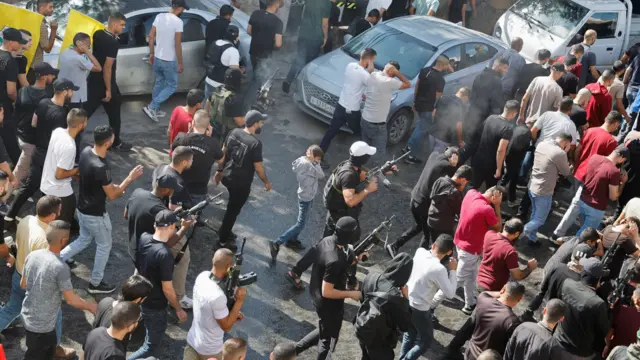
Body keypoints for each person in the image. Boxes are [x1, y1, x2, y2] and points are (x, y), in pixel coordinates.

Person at [60, 125, 144, 294]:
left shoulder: (85, 152)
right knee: (104, 245)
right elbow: (112, 195)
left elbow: (95, 182)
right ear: (107, 142)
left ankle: (58, 258)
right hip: (95, 215)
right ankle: (95, 283)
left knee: (84, 238)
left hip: (82, 209)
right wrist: (129, 179)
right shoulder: (101, 167)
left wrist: (114, 187)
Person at [0, 196, 71, 358]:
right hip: (32, 284)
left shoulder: (26, 219)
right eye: (59, 210)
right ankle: (55, 349)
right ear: (53, 215)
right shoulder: (46, 239)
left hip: (18, 274)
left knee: (12, 308)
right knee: (55, 314)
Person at [4, 78, 76, 228]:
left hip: (38, 153)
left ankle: (10, 216)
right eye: (71, 90)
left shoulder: (43, 103)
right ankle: (54, 222)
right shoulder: (62, 114)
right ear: (64, 92)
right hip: (50, 158)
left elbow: (34, 123)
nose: (73, 93)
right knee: (51, 189)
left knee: (29, 187)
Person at [21, 220, 98, 360]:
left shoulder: (33, 255)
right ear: (63, 240)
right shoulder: (60, 267)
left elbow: (23, 284)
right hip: (42, 326)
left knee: (40, 349)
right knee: (37, 355)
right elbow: (70, 299)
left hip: (27, 314)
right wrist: (90, 306)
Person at [294, 217, 362, 360]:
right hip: (329, 304)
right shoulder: (335, 260)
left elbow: (336, 262)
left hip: (317, 295)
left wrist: (355, 259)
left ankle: (295, 350)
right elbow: (328, 291)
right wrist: (351, 294)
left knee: (324, 328)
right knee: (328, 340)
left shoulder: (327, 240)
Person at [553, 112, 621, 239]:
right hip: (591, 177)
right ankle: (581, 232)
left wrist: (576, 164)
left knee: (577, 203)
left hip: (580, 172)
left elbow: (578, 149)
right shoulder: (611, 141)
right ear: (615, 123)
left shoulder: (590, 130)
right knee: (585, 203)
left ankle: (564, 231)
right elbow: (607, 163)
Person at [129, 210, 188, 359]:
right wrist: (179, 309)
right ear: (172, 227)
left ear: (155, 225)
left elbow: (162, 243)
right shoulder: (165, 255)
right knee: (150, 346)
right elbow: (167, 289)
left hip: (142, 296)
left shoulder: (144, 238)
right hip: (155, 305)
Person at [441, 186, 503, 314]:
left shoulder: (470, 193)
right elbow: (498, 228)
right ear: (494, 197)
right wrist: (497, 206)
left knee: (471, 276)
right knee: (455, 282)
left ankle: (470, 304)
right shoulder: (487, 209)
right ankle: (431, 305)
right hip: (470, 251)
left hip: (459, 243)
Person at [386, 147, 458, 257]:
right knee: (427, 233)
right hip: (423, 204)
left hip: (415, 197)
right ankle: (418, 261)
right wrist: (454, 164)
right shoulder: (447, 166)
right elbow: (454, 179)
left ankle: (395, 245)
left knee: (419, 226)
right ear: (451, 157)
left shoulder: (433, 155)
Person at [214, 110, 270, 249]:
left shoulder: (234, 132)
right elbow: (258, 168)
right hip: (241, 184)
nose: (262, 124)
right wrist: (266, 182)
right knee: (232, 211)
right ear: (255, 123)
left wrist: (219, 171)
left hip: (227, 177)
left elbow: (223, 152)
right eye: (261, 121)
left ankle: (226, 229)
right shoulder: (255, 144)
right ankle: (221, 240)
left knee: (231, 208)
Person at [399, 235, 457, 360]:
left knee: (409, 335)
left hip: (406, 299)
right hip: (420, 309)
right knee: (425, 341)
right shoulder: (439, 269)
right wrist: (453, 271)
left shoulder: (420, 252)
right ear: (449, 252)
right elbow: (450, 293)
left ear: (434, 244)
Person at [152, 146, 196, 309]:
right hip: (167, 225)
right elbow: (172, 208)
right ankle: (178, 297)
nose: (192, 162)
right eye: (191, 160)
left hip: (156, 219)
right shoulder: (176, 182)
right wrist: (185, 222)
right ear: (184, 162)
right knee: (183, 258)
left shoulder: (161, 167)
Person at [185, 249, 247, 360]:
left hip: (192, 341)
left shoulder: (202, 276)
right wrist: (239, 301)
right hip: (209, 350)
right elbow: (226, 326)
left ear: (213, 260)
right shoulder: (218, 296)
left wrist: (232, 313)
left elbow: (209, 308)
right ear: (229, 267)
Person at [319, 48, 376, 168]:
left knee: (331, 132)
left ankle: (318, 157)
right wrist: (371, 71)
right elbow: (372, 85)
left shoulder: (350, 66)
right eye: (373, 61)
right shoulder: (365, 74)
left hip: (341, 105)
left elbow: (355, 85)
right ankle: (359, 162)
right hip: (352, 111)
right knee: (360, 134)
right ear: (369, 60)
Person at [558, 146, 629, 238]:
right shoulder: (614, 172)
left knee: (567, 218)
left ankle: (556, 236)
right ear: (622, 158)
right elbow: (613, 196)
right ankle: (573, 246)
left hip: (581, 197)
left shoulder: (595, 157)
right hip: (596, 207)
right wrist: (623, 182)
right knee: (585, 234)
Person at [85, 12, 132, 152]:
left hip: (93, 79)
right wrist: (108, 89)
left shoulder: (98, 34)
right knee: (114, 113)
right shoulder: (113, 43)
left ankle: (69, 132)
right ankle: (115, 143)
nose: (124, 28)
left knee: (84, 112)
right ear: (114, 24)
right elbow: (107, 67)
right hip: (105, 82)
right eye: (122, 25)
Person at [271, 145, 324, 260]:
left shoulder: (304, 162)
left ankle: (292, 240)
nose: (319, 161)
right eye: (318, 159)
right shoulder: (309, 166)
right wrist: (316, 164)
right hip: (306, 197)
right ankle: (278, 242)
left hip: (307, 195)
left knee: (301, 221)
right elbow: (321, 175)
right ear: (313, 157)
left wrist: (314, 162)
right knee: (300, 224)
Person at [124, 176, 193, 263]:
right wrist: (184, 228)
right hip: (147, 256)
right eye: (172, 189)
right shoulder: (159, 210)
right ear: (165, 190)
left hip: (133, 249)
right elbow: (167, 243)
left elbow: (126, 215)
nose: (173, 192)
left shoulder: (137, 192)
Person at [357, 253, 413, 360]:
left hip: (363, 329)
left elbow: (362, 298)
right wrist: (405, 298)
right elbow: (405, 326)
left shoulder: (371, 276)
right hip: (380, 343)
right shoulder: (395, 297)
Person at [521, 134, 573, 244]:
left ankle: (532, 238)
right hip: (544, 190)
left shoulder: (541, 144)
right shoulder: (560, 153)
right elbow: (566, 172)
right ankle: (517, 232)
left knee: (535, 214)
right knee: (539, 219)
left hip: (532, 185)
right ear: (566, 143)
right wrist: (566, 152)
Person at [40, 108, 87, 226]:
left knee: (49, 226)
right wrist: (78, 170)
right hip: (60, 194)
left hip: (46, 187)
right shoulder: (69, 146)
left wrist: (72, 173)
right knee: (60, 232)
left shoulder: (58, 131)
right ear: (81, 124)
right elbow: (59, 174)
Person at [555, 258, 610, 358]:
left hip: (558, 340)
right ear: (598, 280)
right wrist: (609, 309)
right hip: (579, 353)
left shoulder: (567, 283)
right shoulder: (597, 303)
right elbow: (603, 331)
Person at [143, 0, 189, 122]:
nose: (183, 11)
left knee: (159, 82)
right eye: (183, 9)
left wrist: (152, 53)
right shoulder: (178, 22)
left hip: (158, 57)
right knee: (172, 85)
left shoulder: (159, 16)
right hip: (169, 60)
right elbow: (177, 43)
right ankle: (152, 106)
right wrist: (180, 62)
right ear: (179, 8)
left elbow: (151, 36)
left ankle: (155, 109)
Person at [361, 61, 411, 164]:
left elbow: (364, 97)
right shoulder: (389, 81)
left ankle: (359, 166)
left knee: (364, 147)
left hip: (365, 119)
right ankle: (373, 173)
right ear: (393, 72)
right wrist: (397, 73)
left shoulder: (373, 75)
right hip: (377, 124)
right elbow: (408, 84)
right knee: (379, 152)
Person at [14, 62, 56, 183]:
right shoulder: (48, 96)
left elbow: (16, 112)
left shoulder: (23, 90)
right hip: (32, 141)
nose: (53, 77)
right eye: (51, 75)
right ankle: (5, 196)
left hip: (21, 135)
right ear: (43, 77)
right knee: (18, 174)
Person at [462, 56, 508, 165]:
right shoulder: (496, 82)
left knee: (466, 144)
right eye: (505, 68)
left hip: (471, 115)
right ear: (498, 66)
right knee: (474, 147)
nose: (506, 71)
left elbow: (472, 96)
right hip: (482, 120)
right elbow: (496, 105)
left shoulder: (479, 75)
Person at [524, 245, 589, 320]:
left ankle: (527, 313)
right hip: (557, 316)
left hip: (545, 306)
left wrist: (530, 309)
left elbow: (542, 291)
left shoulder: (557, 267)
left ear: (572, 255)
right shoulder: (581, 281)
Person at [171, 109, 224, 201]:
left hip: (179, 183)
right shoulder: (213, 143)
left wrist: (188, 133)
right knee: (194, 213)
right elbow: (220, 160)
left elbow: (174, 152)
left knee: (175, 211)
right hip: (199, 188)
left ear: (193, 122)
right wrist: (208, 138)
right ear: (208, 126)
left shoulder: (181, 137)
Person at [403, 55, 448, 164]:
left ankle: (408, 149)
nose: (447, 67)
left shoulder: (424, 71)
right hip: (428, 108)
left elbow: (417, 87)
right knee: (421, 129)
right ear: (442, 65)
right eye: (447, 65)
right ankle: (409, 152)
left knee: (420, 126)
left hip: (419, 104)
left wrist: (414, 101)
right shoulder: (440, 79)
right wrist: (434, 110)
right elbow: (438, 97)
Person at [465, 282, 524, 359]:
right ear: (519, 299)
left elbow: (485, 293)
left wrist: (502, 292)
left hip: (470, 353)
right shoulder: (513, 322)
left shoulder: (483, 299)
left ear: (502, 290)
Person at [282, 0, 331, 94]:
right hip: (315, 36)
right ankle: (300, 88)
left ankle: (288, 80)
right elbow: (324, 24)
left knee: (299, 58)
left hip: (303, 33)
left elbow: (302, 12)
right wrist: (325, 37)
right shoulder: (327, 3)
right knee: (309, 63)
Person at [478, 218, 537, 292]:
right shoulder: (510, 251)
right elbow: (518, 276)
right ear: (516, 234)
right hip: (493, 288)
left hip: (479, 281)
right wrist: (530, 268)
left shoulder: (489, 234)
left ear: (505, 225)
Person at [471, 100, 516, 189]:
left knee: (473, 187)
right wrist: (499, 169)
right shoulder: (507, 129)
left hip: (479, 160)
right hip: (491, 166)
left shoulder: (491, 118)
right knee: (490, 191)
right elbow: (501, 150)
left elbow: (479, 133)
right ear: (514, 113)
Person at [427, 165, 472, 242]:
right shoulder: (455, 193)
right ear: (463, 180)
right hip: (443, 227)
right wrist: (461, 189)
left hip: (431, 219)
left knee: (431, 241)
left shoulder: (440, 180)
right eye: (466, 183)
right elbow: (460, 211)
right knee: (443, 247)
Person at [0, 28, 25, 164]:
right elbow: (11, 91)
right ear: (10, 42)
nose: (20, 45)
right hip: (4, 106)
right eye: (18, 42)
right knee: (10, 139)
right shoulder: (9, 61)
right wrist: (17, 102)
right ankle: (19, 170)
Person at [58, 32, 102, 109]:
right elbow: (98, 68)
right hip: (77, 97)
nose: (88, 47)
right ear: (79, 44)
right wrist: (87, 52)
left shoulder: (64, 52)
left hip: (64, 94)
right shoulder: (78, 59)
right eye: (88, 45)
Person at [519, 62, 565, 126]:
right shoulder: (558, 90)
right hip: (540, 125)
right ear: (560, 73)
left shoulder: (537, 79)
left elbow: (524, 99)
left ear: (551, 69)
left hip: (528, 120)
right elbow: (556, 110)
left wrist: (521, 115)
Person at [204, 25, 242, 102]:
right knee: (217, 111)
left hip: (208, 80)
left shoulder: (215, 42)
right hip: (220, 86)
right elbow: (235, 72)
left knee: (206, 106)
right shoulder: (233, 50)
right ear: (236, 38)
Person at [207, 68, 245, 142]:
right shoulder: (233, 99)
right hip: (226, 136)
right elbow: (240, 122)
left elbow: (207, 108)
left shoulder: (217, 90)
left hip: (213, 130)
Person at [247, 0, 283, 75]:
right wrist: (270, 44)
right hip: (265, 55)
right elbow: (278, 44)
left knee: (255, 73)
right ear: (276, 4)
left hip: (253, 51)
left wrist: (258, 37)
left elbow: (249, 31)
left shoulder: (255, 13)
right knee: (261, 78)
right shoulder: (278, 22)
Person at [500, 122, 531, 206]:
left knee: (512, 179)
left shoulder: (518, 127)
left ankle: (511, 199)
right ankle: (495, 195)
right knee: (506, 179)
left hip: (509, 155)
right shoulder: (527, 133)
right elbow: (524, 147)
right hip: (515, 159)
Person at [30, 0, 56, 77]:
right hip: (34, 67)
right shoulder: (41, 24)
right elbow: (47, 49)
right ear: (42, 7)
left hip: (26, 63)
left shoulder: (31, 19)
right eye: (50, 7)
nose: (52, 9)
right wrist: (54, 30)